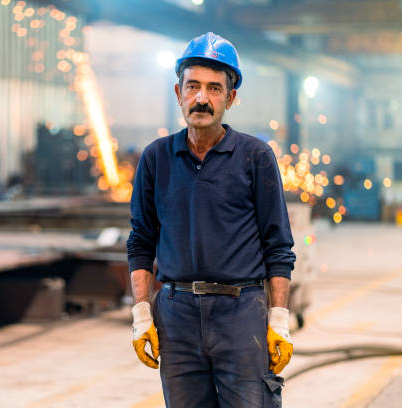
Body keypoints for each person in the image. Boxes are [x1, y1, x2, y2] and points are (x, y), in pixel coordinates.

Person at [127, 32, 296, 407]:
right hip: (176, 316)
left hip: (241, 314)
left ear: (230, 98)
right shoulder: (155, 158)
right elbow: (140, 241)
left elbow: (278, 247)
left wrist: (279, 320)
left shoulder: (255, 157)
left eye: (214, 89)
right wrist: (142, 314)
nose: (201, 98)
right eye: (193, 86)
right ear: (178, 92)